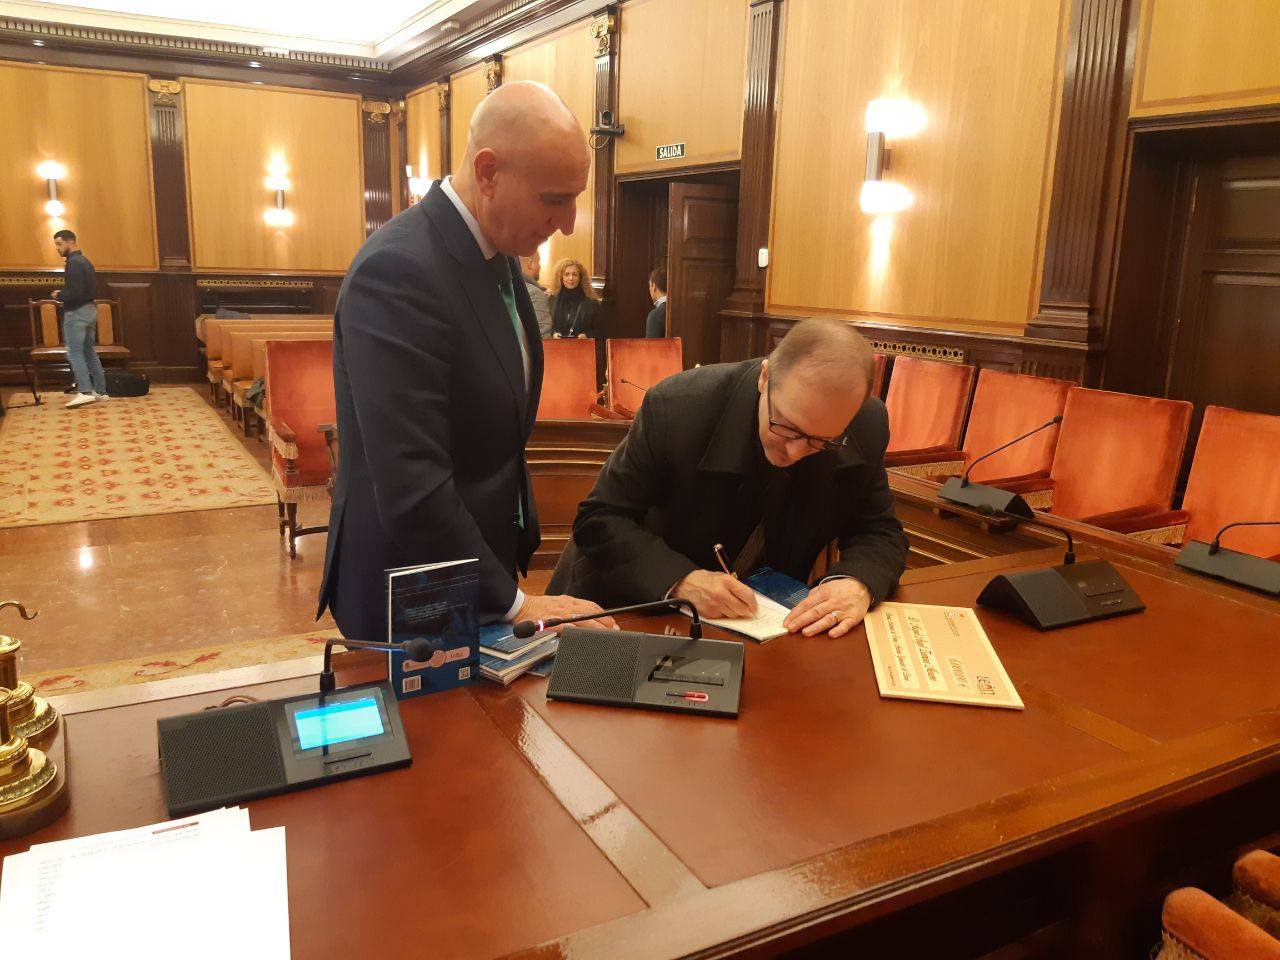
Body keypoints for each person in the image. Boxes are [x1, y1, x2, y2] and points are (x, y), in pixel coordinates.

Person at [318, 81, 616, 644]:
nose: (570, 222)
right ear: (487, 172)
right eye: (555, 198)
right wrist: (516, 602)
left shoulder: (495, 251)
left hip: (476, 569)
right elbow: (412, 485)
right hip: (411, 590)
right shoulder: (399, 271)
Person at [548, 319, 908, 638]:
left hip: (761, 628)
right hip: (633, 611)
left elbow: (879, 529)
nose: (795, 452)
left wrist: (858, 581)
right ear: (765, 378)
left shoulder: (864, 426)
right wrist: (682, 581)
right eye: (786, 427)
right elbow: (600, 518)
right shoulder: (678, 408)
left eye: (821, 441)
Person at [50, 229, 107, 409]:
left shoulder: (73, 262)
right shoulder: (86, 261)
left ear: (70, 242)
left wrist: (59, 294)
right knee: (89, 352)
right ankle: (101, 391)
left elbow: (75, 292)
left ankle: (84, 392)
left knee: (74, 353)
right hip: (90, 310)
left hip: (76, 312)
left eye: (59, 244)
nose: (57, 248)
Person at [547, 258, 600, 339]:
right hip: (557, 347)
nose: (571, 278)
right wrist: (553, 334)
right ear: (561, 277)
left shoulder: (592, 302)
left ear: (580, 278)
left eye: (575, 274)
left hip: (583, 347)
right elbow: (545, 326)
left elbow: (600, 330)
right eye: (566, 274)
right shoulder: (551, 300)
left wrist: (587, 335)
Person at [519, 255, 553, 339]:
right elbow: (542, 338)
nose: (540, 266)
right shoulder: (535, 293)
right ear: (531, 264)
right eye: (539, 262)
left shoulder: (509, 288)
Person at [644, 267, 667, 338]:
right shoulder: (683, 308)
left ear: (653, 286)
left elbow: (650, 348)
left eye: (649, 286)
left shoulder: (655, 316)